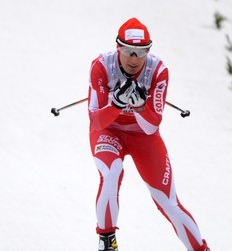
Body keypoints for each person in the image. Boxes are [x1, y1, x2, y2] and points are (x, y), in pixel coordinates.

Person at [87, 17, 210, 251]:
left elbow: (152, 126)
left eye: (141, 52)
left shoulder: (158, 70)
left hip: (143, 136)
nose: (135, 59)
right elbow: (96, 120)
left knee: (167, 201)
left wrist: (141, 106)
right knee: (111, 173)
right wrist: (116, 104)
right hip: (109, 131)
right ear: (118, 48)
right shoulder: (102, 66)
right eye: (129, 51)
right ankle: (107, 244)